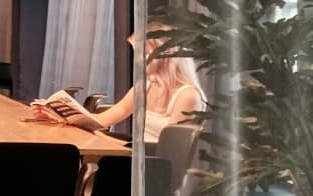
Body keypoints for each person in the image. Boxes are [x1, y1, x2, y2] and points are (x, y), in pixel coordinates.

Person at [28, 31, 205, 142]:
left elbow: (170, 151)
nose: (137, 60)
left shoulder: (188, 96)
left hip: (154, 171)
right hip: (136, 158)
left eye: (143, 53)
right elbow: (103, 120)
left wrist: (117, 145)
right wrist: (59, 116)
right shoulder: (145, 86)